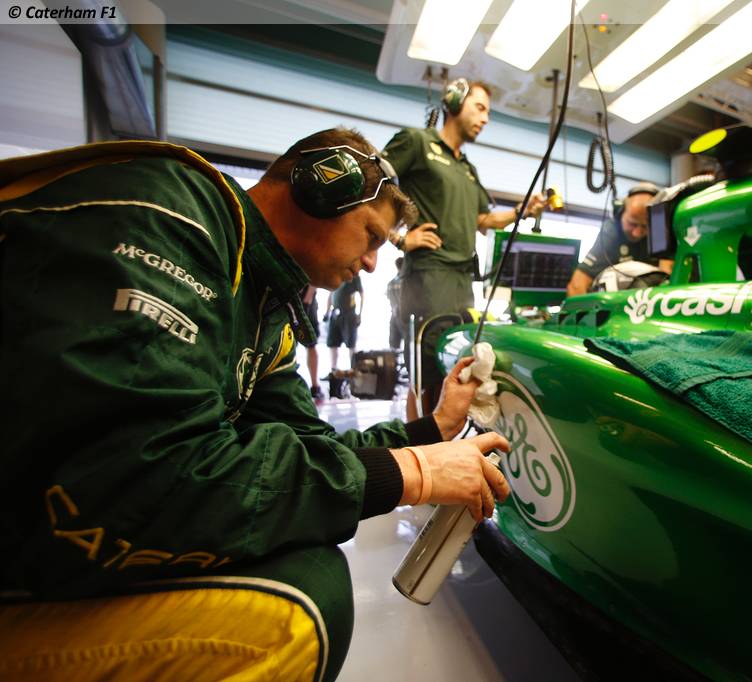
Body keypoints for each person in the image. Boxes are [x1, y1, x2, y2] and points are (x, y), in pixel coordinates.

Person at [0, 128, 510, 680]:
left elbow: (313, 445)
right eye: (370, 235)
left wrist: (433, 428)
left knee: (310, 553)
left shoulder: (263, 301)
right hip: (30, 539)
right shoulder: (170, 216)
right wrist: (412, 473)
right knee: (297, 609)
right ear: (320, 187)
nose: (370, 263)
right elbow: (128, 479)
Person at [381, 78, 546, 419]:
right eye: (480, 108)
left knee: (453, 369)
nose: (485, 119)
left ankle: (445, 442)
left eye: (488, 113)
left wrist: (522, 211)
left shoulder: (468, 170)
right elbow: (374, 186)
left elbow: (483, 220)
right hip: (428, 277)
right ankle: (423, 443)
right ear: (454, 102)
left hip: (462, 282)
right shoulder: (417, 143)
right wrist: (399, 238)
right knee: (425, 377)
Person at [566, 182, 672, 296]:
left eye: (645, 226)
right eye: (632, 223)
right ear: (619, 212)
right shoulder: (611, 232)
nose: (637, 233)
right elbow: (577, 285)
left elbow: (668, 281)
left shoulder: (661, 231)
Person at [325, 274, 362, 371]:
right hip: (335, 314)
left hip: (349, 314)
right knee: (332, 343)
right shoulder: (334, 275)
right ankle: (333, 370)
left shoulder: (354, 277)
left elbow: (361, 294)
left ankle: (353, 369)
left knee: (351, 343)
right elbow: (330, 294)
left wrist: (360, 313)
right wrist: (327, 312)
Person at [301, 283, 325, 401]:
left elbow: (313, 280)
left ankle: (315, 386)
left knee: (311, 344)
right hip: (292, 300)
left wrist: (307, 301)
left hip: (307, 303)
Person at [388, 256, 405, 350]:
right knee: (408, 346)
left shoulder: (390, 283)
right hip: (403, 317)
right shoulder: (405, 282)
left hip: (393, 316)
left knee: (393, 347)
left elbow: (389, 298)